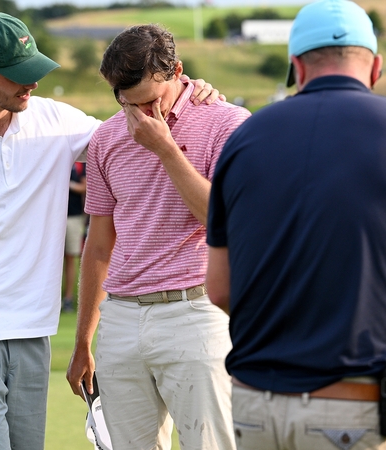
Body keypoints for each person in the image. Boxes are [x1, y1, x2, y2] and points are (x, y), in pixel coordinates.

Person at [0, 13, 220, 450]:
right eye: (17, 75)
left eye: (33, 69)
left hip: (32, 330)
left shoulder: (56, 121)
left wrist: (186, 92)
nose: (31, 83)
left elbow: (129, 136)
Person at [205, 1, 386, 449]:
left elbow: (219, 288)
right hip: (355, 406)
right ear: (376, 68)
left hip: (253, 409)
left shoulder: (244, 138)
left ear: (297, 67)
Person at [66, 24, 250, 450]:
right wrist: (83, 340)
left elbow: (223, 220)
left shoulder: (228, 122)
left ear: (178, 72)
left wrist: (166, 149)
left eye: (151, 100)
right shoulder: (106, 138)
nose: (142, 114)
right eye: (128, 102)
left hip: (197, 311)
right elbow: (99, 245)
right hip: (121, 319)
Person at [61, 162, 86, 313]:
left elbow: (85, 186)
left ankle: (68, 298)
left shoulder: (79, 164)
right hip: (54, 216)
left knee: (70, 258)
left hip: (73, 216)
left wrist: (66, 183)